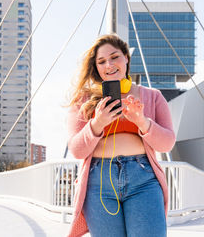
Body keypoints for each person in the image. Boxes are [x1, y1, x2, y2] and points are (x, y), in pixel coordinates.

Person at [66, 34, 176, 237]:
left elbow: (167, 143)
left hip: (143, 179)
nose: (109, 64)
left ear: (126, 57)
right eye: (101, 61)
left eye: (114, 57)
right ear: (96, 67)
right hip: (98, 184)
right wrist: (97, 123)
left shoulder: (153, 97)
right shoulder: (84, 100)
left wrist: (142, 122)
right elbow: (76, 149)